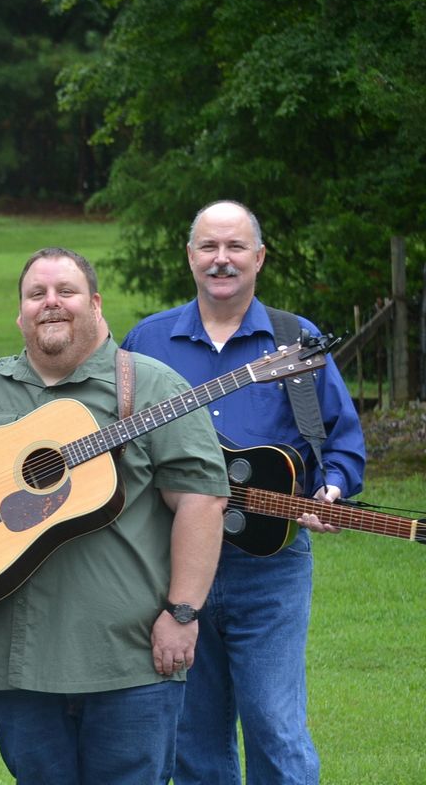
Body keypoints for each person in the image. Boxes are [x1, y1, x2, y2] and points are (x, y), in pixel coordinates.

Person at [0, 247, 230, 783]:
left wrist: (183, 613)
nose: (50, 304)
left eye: (65, 291)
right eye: (36, 294)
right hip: (18, 659)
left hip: (130, 655)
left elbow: (202, 501)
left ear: (95, 303)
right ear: (20, 314)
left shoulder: (154, 388)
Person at [121, 200, 365, 785]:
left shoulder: (294, 338)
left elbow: (341, 438)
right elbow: (118, 449)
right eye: (209, 247)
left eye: (235, 248)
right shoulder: (146, 341)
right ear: (190, 257)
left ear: (258, 258)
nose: (221, 260)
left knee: (275, 727)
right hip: (173, 568)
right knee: (193, 737)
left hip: (272, 567)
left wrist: (331, 487)